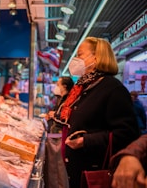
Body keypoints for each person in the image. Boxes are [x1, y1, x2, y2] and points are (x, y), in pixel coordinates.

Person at [59, 37, 140, 187]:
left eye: (80, 54)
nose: (75, 59)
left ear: (96, 57)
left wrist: (86, 141)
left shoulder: (113, 89)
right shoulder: (84, 87)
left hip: (95, 171)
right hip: (77, 170)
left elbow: (128, 133)